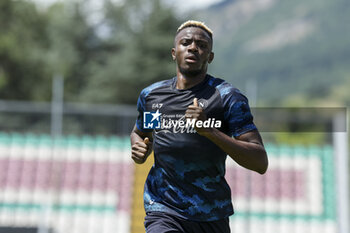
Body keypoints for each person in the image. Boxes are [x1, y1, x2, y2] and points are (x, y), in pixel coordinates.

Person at [130, 20, 268, 233]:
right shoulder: (152, 96)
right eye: (186, 43)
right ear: (174, 52)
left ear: (210, 57)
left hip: (211, 214)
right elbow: (140, 132)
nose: (193, 47)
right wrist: (139, 147)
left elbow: (260, 162)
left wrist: (210, 131)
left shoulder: (226, 97)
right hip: (163, 208)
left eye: (202, 45)